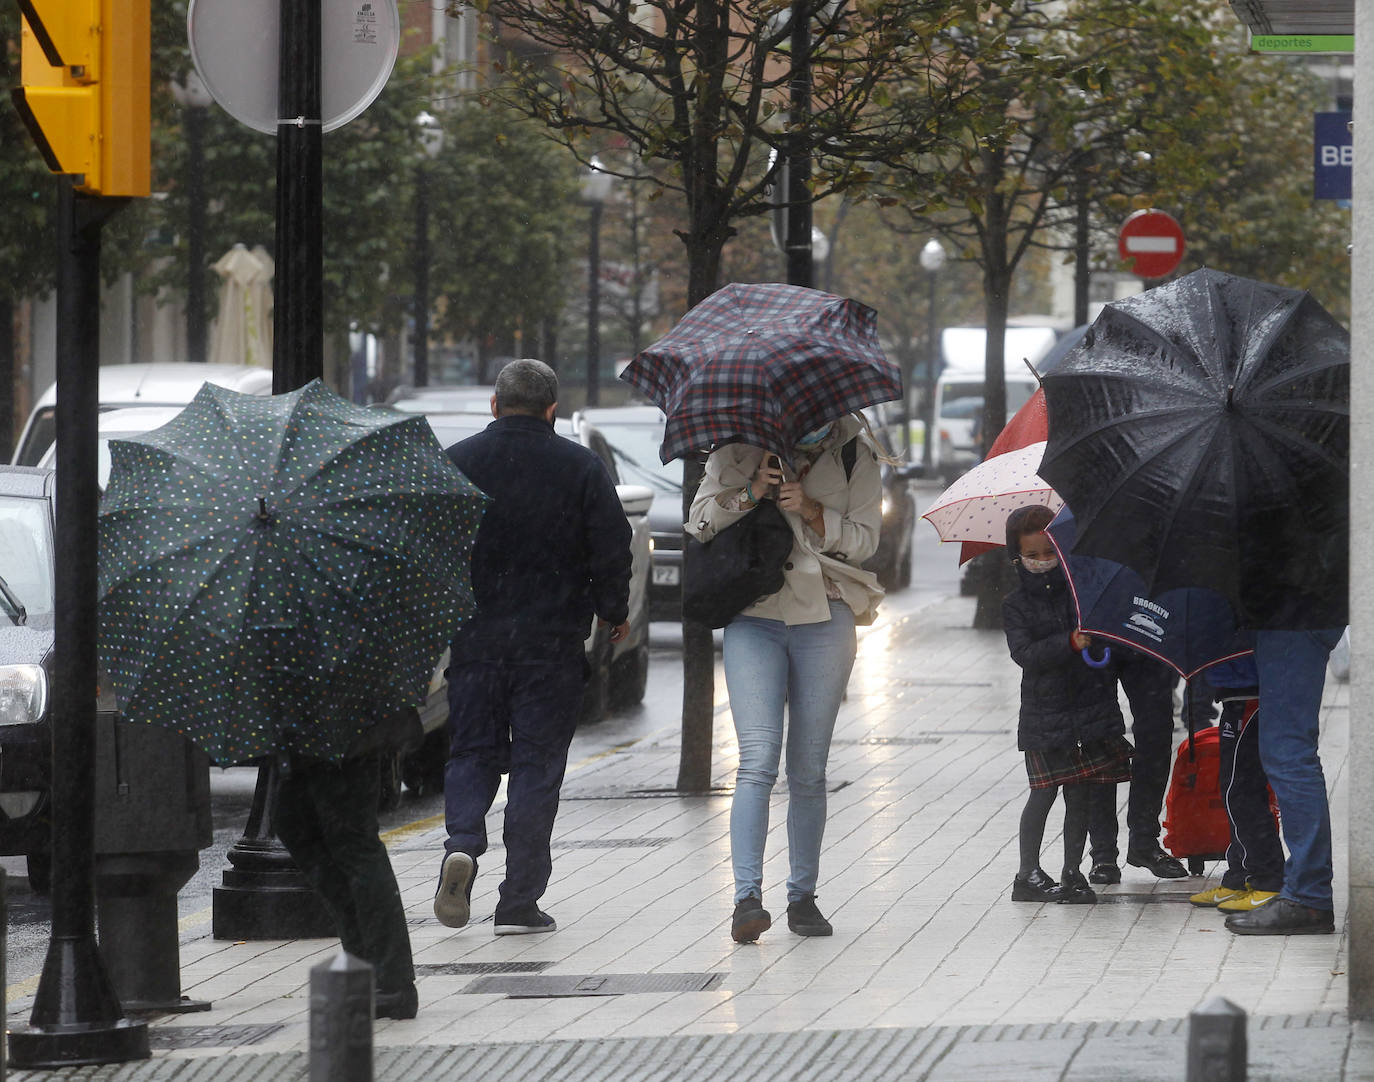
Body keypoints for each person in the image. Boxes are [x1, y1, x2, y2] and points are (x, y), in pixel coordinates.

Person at [433, 359, 632, 935]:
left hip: (477, 638)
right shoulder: (580, 467)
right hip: (551, 643)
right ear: (552, 411)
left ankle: (464, 841)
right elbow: (610, 545)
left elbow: (436, 548)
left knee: (471, 753)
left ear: (494, 407)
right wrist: (612, 610)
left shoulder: (459, 464)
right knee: (536, 767)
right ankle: (518, 901)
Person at [687, 414, 885, 943]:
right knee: (756, 760)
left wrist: (816, 512)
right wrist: (752, 492)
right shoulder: (735, 449)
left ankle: (803, 897)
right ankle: (746, 898)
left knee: (808, 767)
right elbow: (700, 521)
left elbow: (866, 542)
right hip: (754, 614)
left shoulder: (854, 454)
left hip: (828, 614)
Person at [1002, 505, 1133, 906]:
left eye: (1049, 552)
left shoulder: (1082, 590)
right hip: (1047, 716)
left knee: (1082, 794)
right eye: (1032, 555)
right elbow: (1024, 653)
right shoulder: (1015, 604)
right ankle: (1027, 874)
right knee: (1043, 793)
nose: (1042, 562)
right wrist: (1068, 643)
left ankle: (1072, 872)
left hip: (1090, 708)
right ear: (1017, 557)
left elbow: (1106, 637)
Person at [274, 704, 422, 1019]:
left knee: (354, 844)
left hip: (339, 730)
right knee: (293, 822)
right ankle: (368, 966)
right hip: (312, 735)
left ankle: (393, 983)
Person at [1225, 628, 1344, 935]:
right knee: (1288, 751)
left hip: (1292, 610)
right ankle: (1309, 892)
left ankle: (1309, 896)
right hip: (1297, 608)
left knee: (1288, 752)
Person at [1187, 658, 1284, 914]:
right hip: (1234, 694)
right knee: (1232, 790)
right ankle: (1240, 876)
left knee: (1242, 791)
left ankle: (1267, 880)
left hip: (1250, 694)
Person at [1085, 652, 1188, 884]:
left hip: (1147, 639)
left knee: (1156, 735)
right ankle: (1103, 852)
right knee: (1100, 735)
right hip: (1097, 635)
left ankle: (1144, 841)